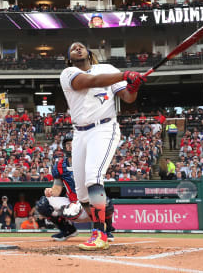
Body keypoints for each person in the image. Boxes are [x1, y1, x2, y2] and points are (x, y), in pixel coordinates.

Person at [59, 42, 146, 250]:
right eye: (72, 47)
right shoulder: (68, 73)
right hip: (79, 133)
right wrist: (126, 75)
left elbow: (127, 97)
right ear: (70, 58)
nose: (77, 47)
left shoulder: (108, 69)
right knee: (82, 194)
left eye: (81, 45)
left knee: (93, 178)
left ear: (89, 52)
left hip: (104, 128)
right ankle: (105, 227)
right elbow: (91, 81)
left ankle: (98, 233)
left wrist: (134, 85)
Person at [37, 135, 116, 241]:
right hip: (71, 204)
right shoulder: (60, 165)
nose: (70, 147)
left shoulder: (90, 162)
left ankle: (106, 230)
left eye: (73, 144)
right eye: (68, 144)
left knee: (106, 202)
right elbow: (57, 188)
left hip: (90, 205)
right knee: (43, 204)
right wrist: (51, 191)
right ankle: (68, 230)